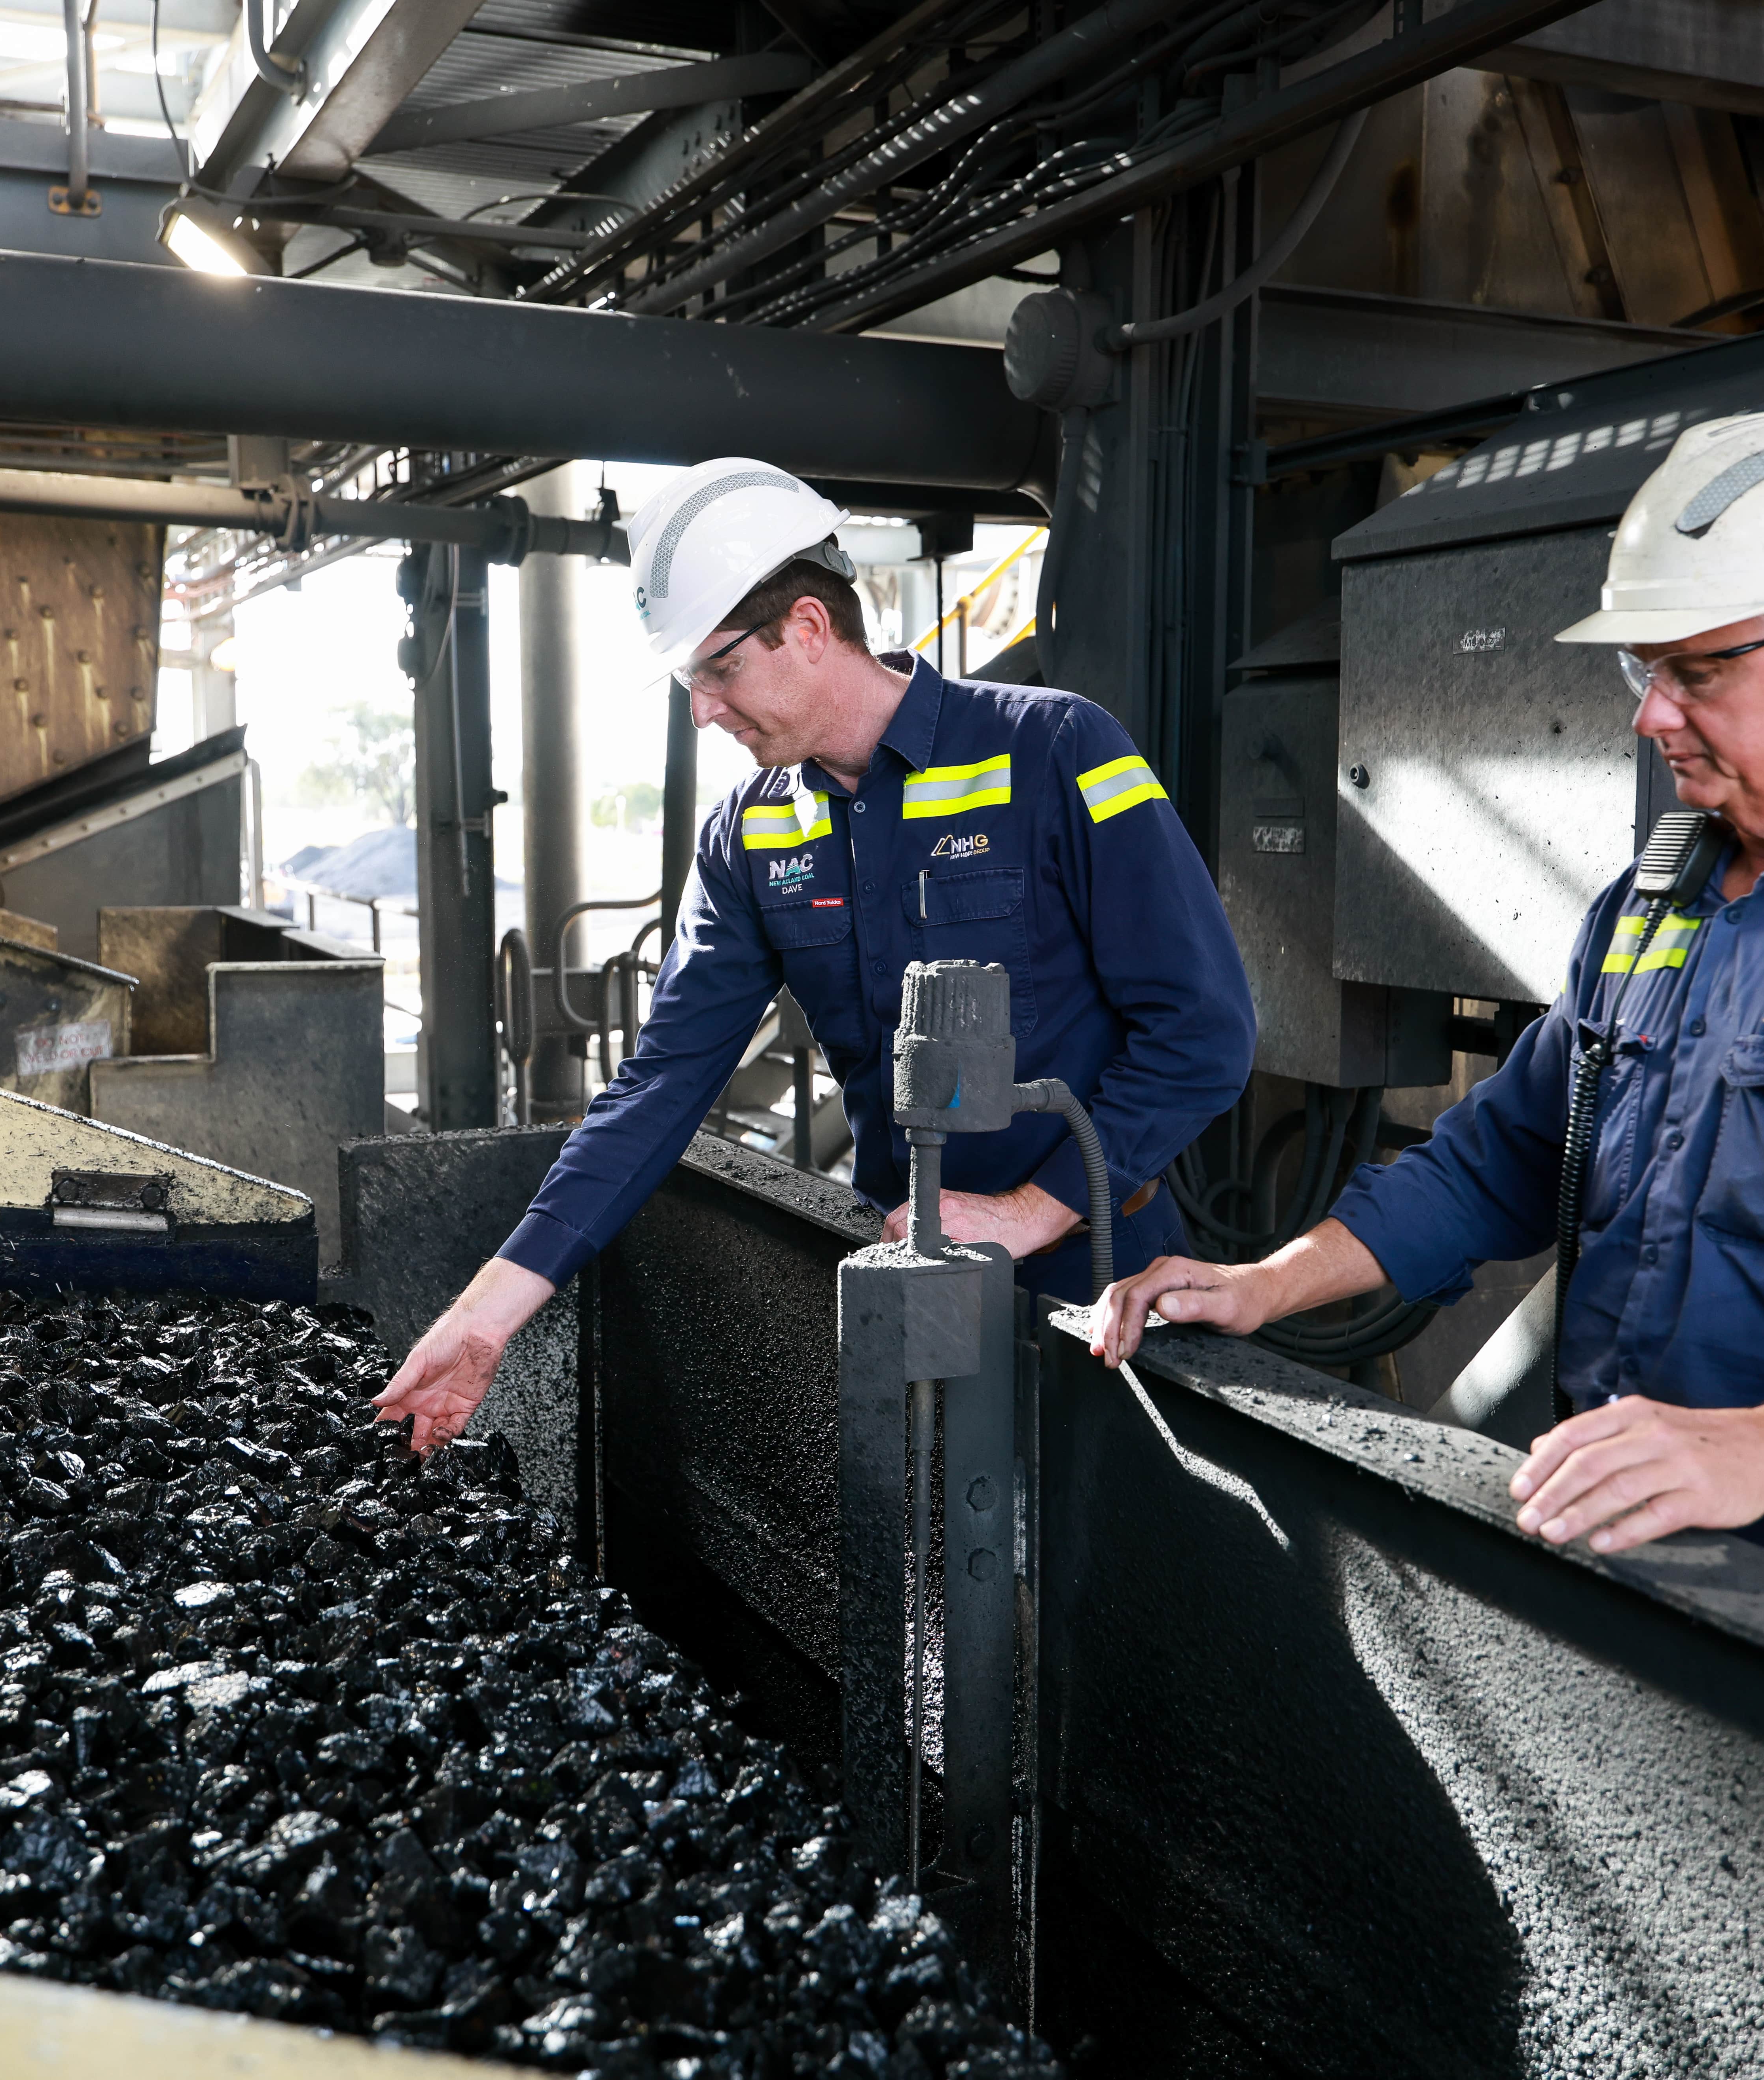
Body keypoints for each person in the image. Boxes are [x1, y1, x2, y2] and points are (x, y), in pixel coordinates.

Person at [1093, 409, 1764, 1656]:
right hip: (1641, 1542)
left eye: (1697, 672)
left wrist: (1757, 1451)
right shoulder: (1649, 904)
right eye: (1643, 672)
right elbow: (1502, 1157)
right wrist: (1265, 1285)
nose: (1650, 717)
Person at [377, 459, 1255, 1454]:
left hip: (1103, 1272)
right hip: (910, 1272)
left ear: (805, 628)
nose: (702, 709)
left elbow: (1207, 1030)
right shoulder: (751, 836)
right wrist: (485, 1315)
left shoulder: (1055, 752)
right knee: (929, 1562)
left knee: (1107, 1582)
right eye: (688, 681)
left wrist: (1027, 1211)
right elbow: (660, 1084)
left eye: (717, 670)